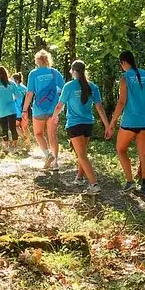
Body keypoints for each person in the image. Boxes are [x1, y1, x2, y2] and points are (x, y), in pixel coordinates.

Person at [106, 50, 145, 198]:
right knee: (144, 154)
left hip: (130, 121)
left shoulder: (125, 78)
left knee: (120, 149)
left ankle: (130, 181)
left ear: (123, 62)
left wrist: (112, 122)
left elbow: (122, 102)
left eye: (120, 64)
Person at [52, 60, 112, 193]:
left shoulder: (69, 86)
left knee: (82, 155)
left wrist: (54, 117)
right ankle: (79, 177)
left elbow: (59, 105)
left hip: (74, 124)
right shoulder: (93, 87)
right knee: (82, 153)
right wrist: (107, 126)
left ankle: (94, 184)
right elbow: (100, 108)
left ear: (73, 71)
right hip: (88, 124)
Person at [22, 49, 65, 170]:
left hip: (39, 109)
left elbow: (30, 93)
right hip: (53, 110)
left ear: (37, 61)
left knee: (38, 133)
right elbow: (63, 90)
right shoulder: (55, 73)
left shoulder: (34, 74)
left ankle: (48, 155)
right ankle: (55, 163)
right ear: (48, 60)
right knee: (52, 135)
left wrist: (24, 110)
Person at [0, 66, 22, 152]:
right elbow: (17, 96)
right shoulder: (12, 83)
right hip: (12, 109)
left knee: (4, 129)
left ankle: (6, 148)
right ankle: (15, 148)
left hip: (1, 110)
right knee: (13, 128)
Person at [12, 72, 31, 148]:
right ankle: (28, 143)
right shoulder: (25, 88)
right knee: (25, 127)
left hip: (17, 112)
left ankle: (24, 138)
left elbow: (18, 101)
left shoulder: (16, 89)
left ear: (16, 80)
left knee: (15, 126)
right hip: (25, 111)